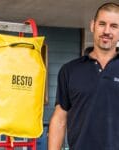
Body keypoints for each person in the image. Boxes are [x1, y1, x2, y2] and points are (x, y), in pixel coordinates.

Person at [48, 2, 119, 150]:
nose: (107, 31)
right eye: (102, 24)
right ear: (93, 25)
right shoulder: (70, 70)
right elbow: (60, 119)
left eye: (114, 26)